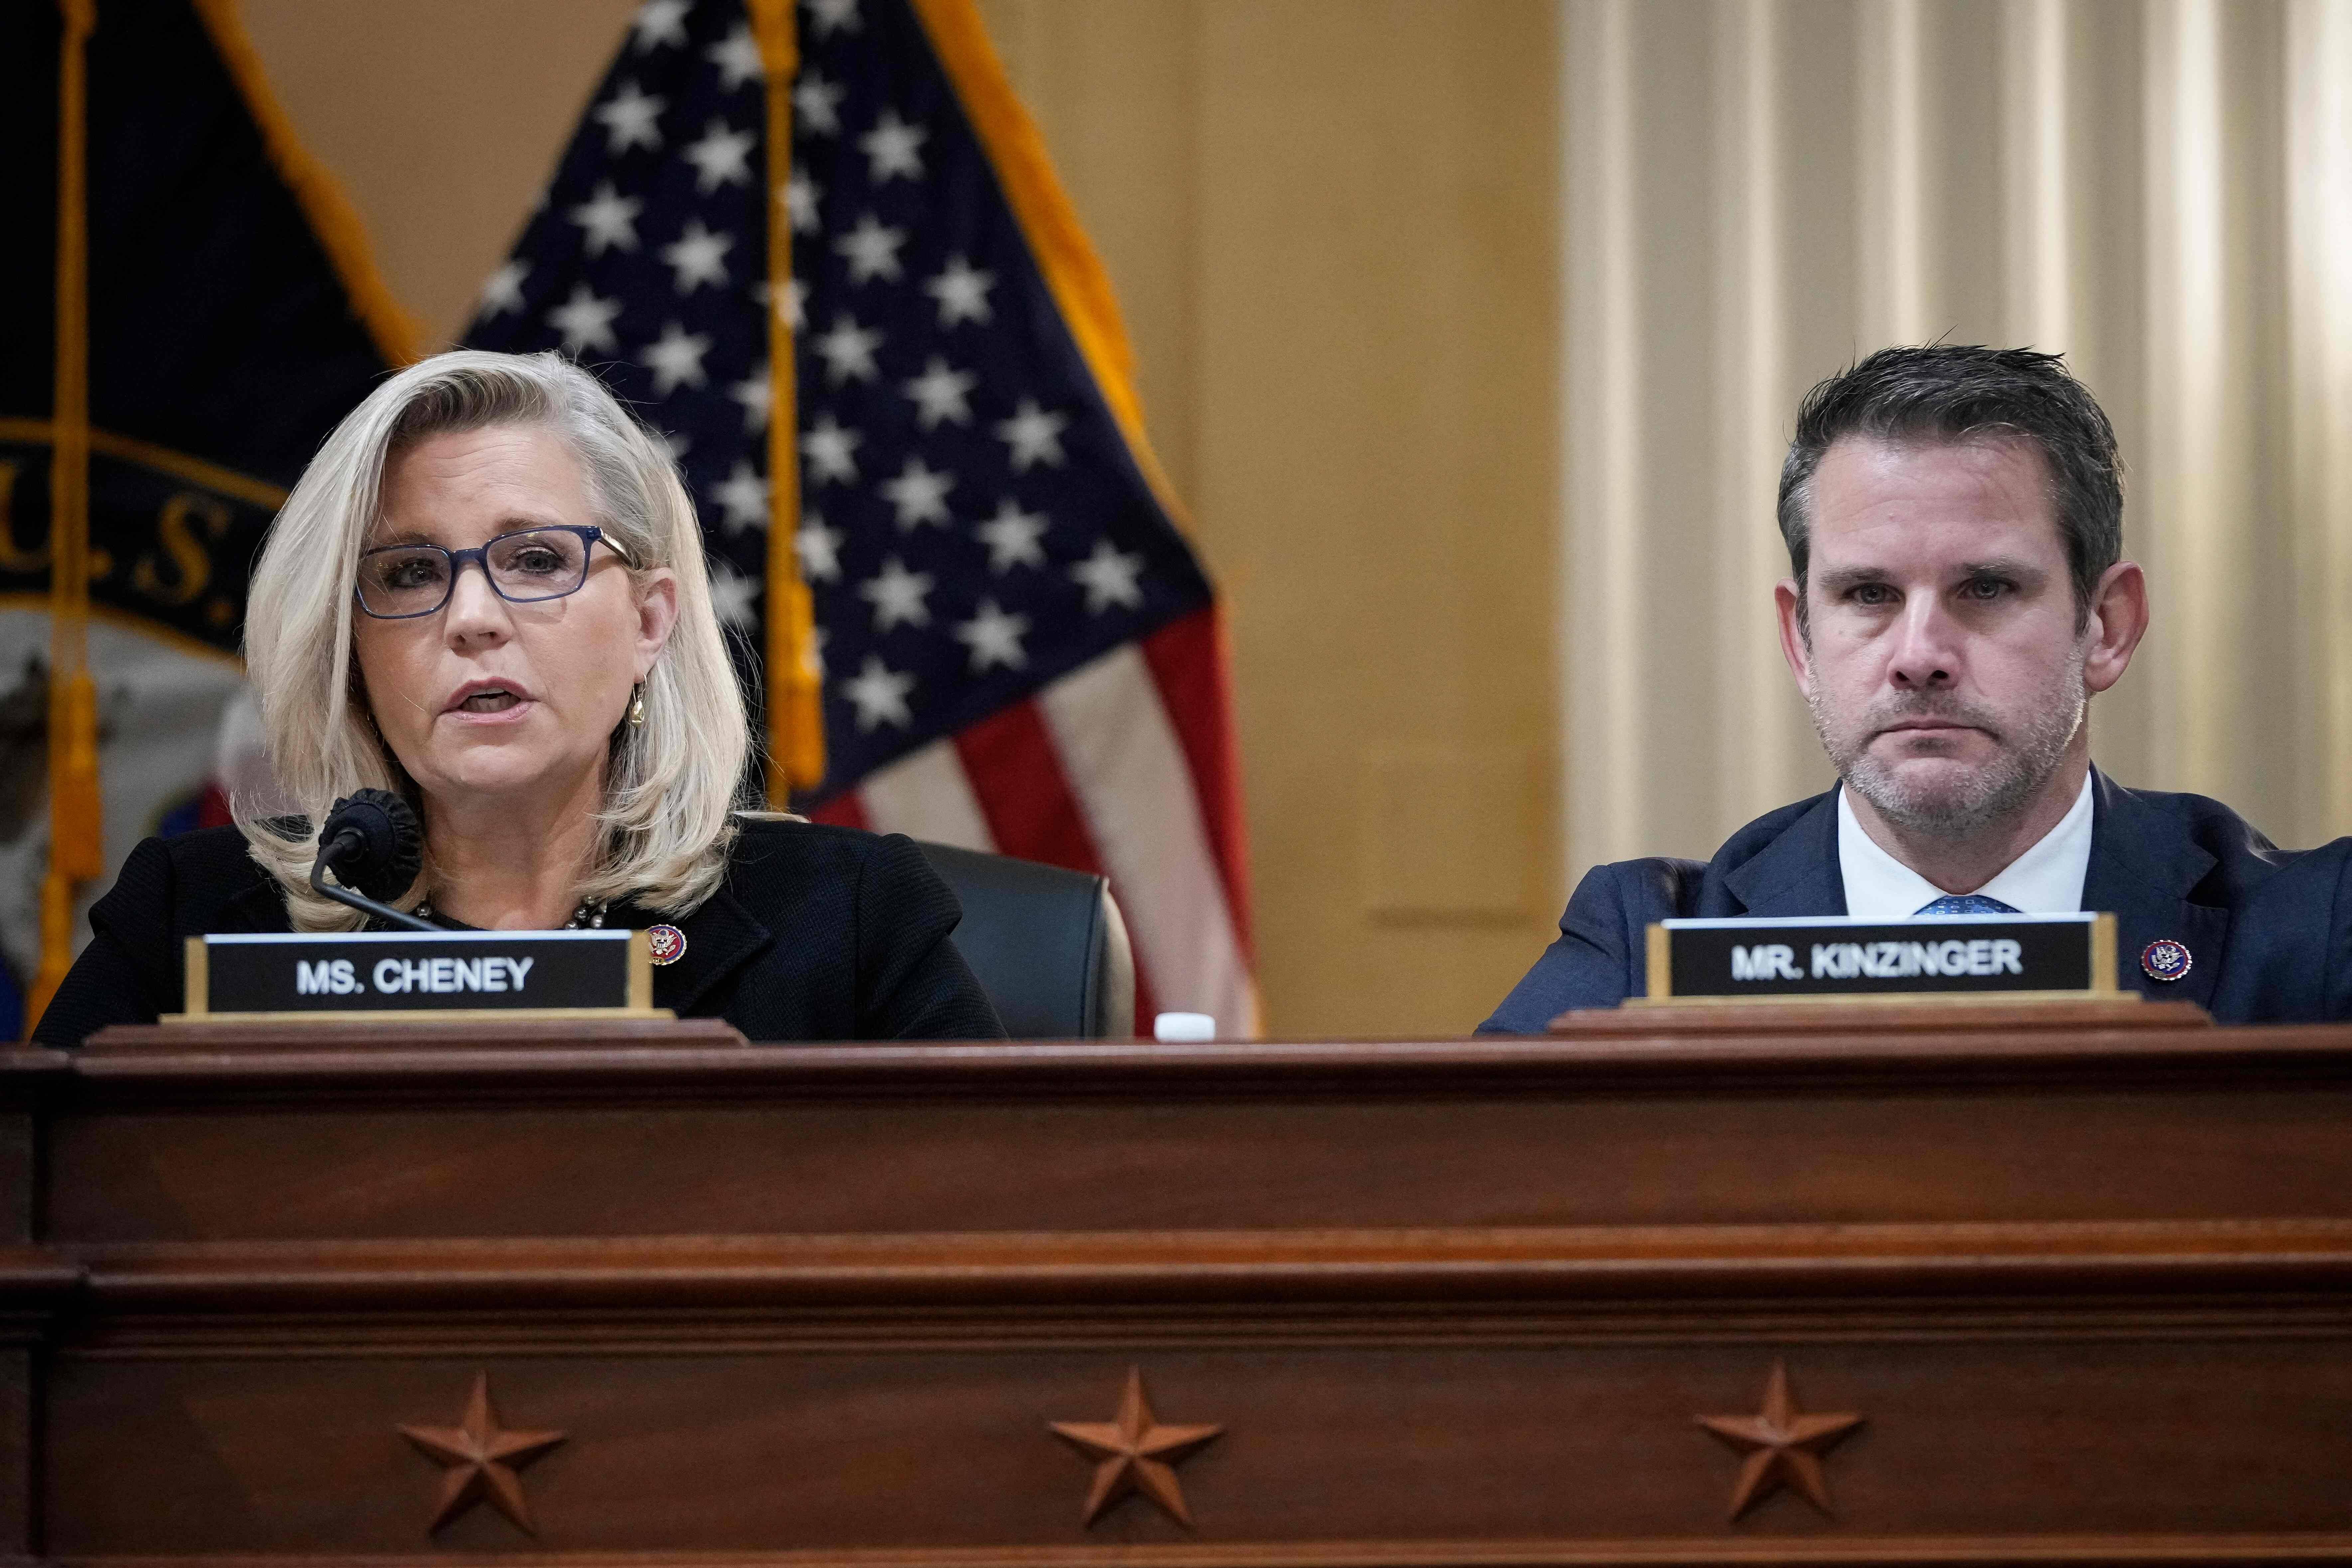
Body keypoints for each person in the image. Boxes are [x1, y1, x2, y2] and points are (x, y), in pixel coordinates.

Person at [34, 350, 1003, 1044]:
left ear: (649, 620)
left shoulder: (847, 925)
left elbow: (985, 1263)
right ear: (351, 647)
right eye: (410, 573)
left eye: (535, 558)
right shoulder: (195, 921)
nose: (470, 617)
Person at [1484, 344, 2352, 1032]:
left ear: (2107, 625)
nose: (1920, 654)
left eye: (1984, 589)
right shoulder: (1651, 946)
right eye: (1868, 595)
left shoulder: (2313, 932)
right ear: (1800, 638)